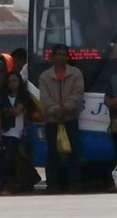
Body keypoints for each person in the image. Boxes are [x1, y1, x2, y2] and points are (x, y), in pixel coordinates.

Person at [39, 44, 85, 193]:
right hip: (52, 121)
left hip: (70, 119)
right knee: (52, 153)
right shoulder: (44, 77)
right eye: (58, 54)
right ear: (52, 57)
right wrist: (55, 110)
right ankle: (52, 185)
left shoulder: (76, 73)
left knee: (74, 152)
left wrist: (64, 108)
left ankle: (75, 184)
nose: (61, 57)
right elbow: (44, 100)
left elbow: (77, 96)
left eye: (64, 55)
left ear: (67, 57)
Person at [0, 71, 29, 195]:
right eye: (9, 81)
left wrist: (8, 110)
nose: (11, 83)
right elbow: (1, 111)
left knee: (9, 157)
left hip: (16, 132)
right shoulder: (3, 96)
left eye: (14, 81)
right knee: (2, 159)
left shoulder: (23, 96)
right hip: (4, 131)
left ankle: (10, 184)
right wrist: (8, 111)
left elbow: (16, 111)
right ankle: (3, 183)